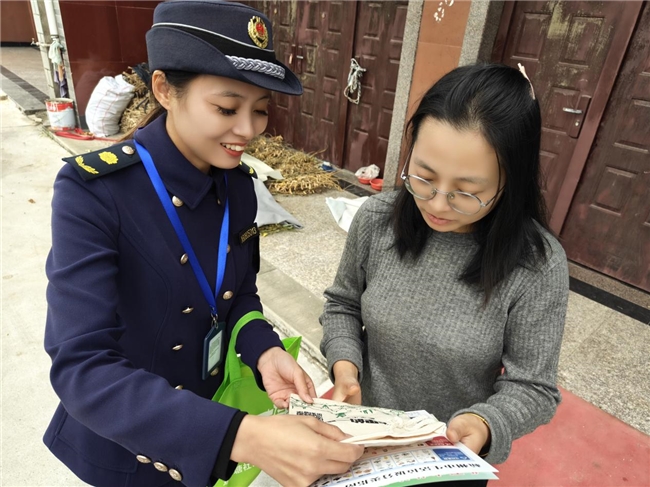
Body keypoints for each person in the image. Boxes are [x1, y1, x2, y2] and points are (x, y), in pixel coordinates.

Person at [43, 2, 363, 486]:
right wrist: (241, 437)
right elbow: (81, 367)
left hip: (213, 420)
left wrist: (264, 350)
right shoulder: (95, 191)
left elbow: (238, 294)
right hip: (130, 445)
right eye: (227, 108)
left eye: (260, 110)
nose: (248, 130)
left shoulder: (238, 186)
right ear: (164, 90)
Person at [320, 63, 569, 487]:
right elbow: (343, 304)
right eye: (424, 177)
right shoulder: (378, 220)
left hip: (446, 463)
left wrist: (486, 422)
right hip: (362, 443)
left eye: (467, 192)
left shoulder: (536, 265)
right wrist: (345, 366)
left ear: (510, 182)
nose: (436, 204)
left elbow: (534, 387)